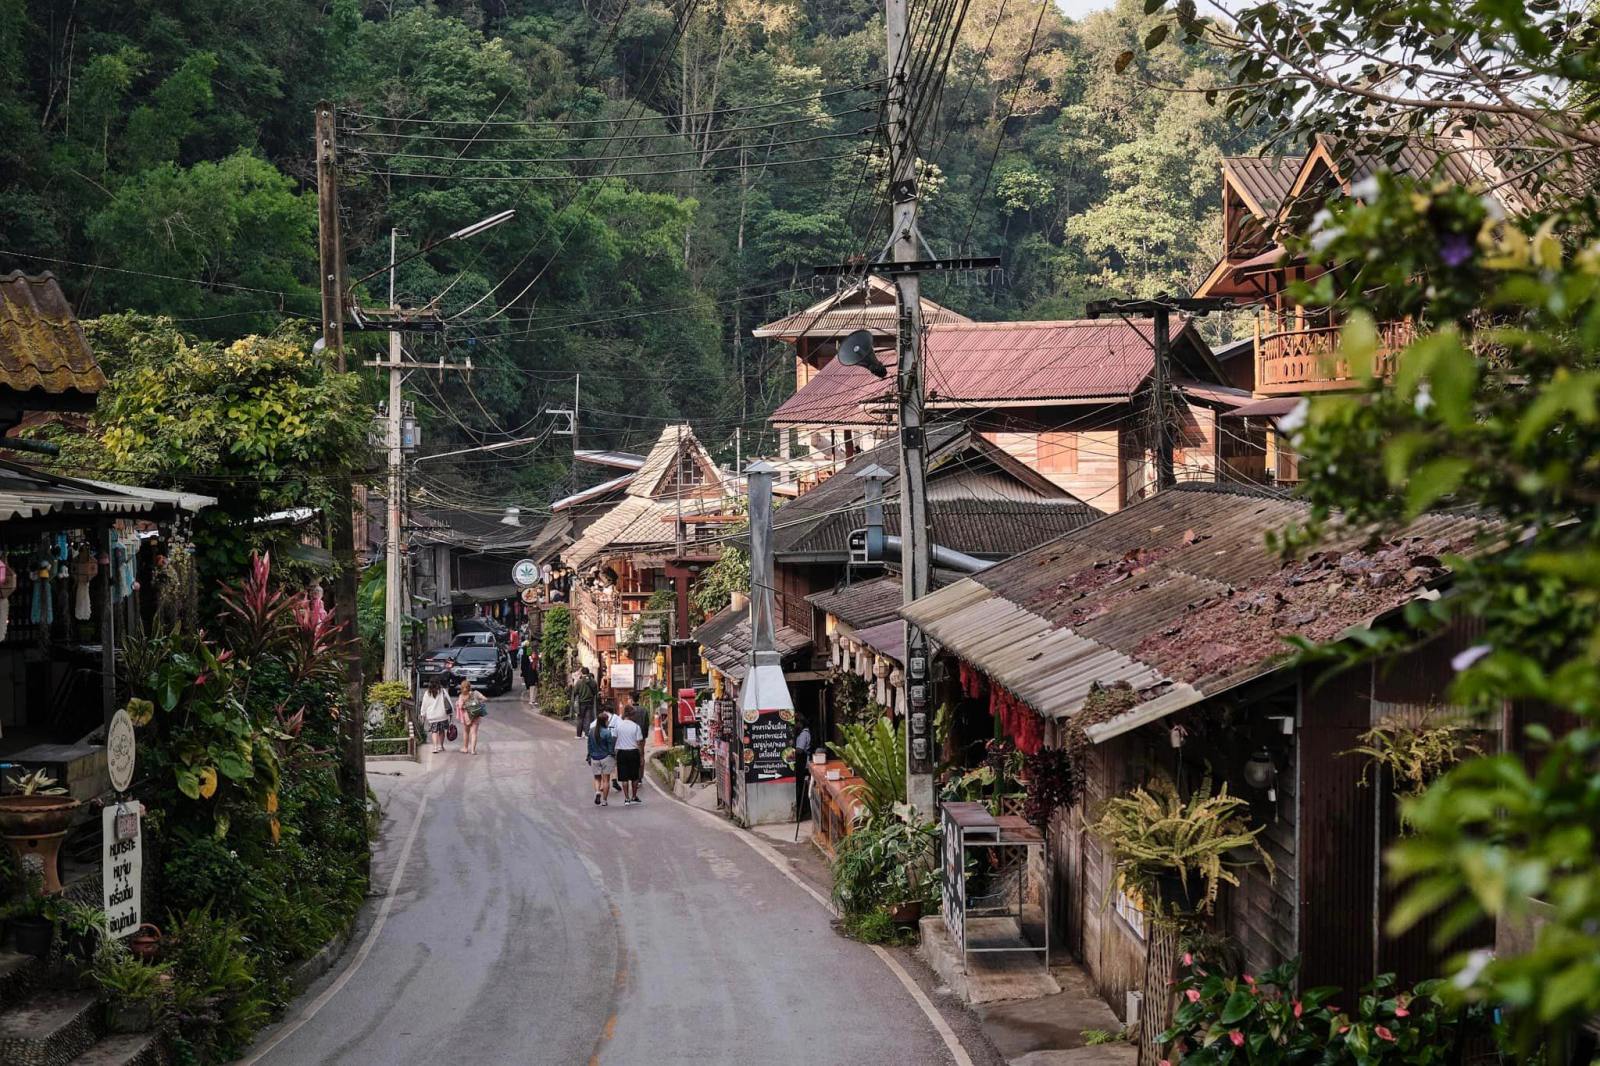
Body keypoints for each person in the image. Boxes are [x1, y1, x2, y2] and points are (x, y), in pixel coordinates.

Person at [612, 705, 646, 805]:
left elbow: (614, 738)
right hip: (633, 752)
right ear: (632, 715)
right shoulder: (636, 726)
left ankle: (626, 798)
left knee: (624, 777)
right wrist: (641, 756)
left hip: (621, 752)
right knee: (635, 776)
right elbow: (639, 743)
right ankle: (634, 796)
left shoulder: (618, 726)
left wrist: (614, 752)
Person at [586, 709, 616, 805]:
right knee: (606, 780)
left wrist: (590, 755)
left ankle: (597, 791)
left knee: (597, 778)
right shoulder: (607, 733)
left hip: (595, 757)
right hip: (606, 757)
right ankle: (604, 801)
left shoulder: (591, 731)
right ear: (604, 721)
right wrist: (613, 755)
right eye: (607, 720)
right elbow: (610, 747)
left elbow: (589, 745)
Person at [456, 678, 487, 755]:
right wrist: (477, 703)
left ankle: (465, 748)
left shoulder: (462, 696)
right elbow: (485, 698)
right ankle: (473, 750)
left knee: (466, 732)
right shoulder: (475, 693)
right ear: (470, 687)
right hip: (476, 715)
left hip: (467, 717)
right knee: (474, 733)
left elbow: (460, 706)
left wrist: (459, 704)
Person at [420, 679, 452, 754]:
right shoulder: (442, 691)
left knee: (434, 731)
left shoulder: (427, 693)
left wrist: (423, 714)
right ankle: (441, 746)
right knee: (442, 731)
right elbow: (449, 701)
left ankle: (435, 747)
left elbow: (424, 704)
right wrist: (451, 713)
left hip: (432, 716)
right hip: (442, 715)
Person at [793, 717, 814, 820]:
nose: (795, 726)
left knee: (802, 788)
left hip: (804, 764)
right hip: (803, 764)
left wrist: (791, 750)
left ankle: (804, 811)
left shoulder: (803, 734)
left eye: (796, 723)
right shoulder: (803, 733)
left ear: (800, 723)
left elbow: (800, 750)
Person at [572, 666, 599, 738]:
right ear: (588, 672)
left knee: (580, 718)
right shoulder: (593, 681)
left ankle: (579, 735)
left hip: (581, 702)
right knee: (588, 718)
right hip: (590, 702)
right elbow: (596, 692)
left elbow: (575, 692)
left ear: (582, 673)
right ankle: (587, 734)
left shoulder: (579, 682)